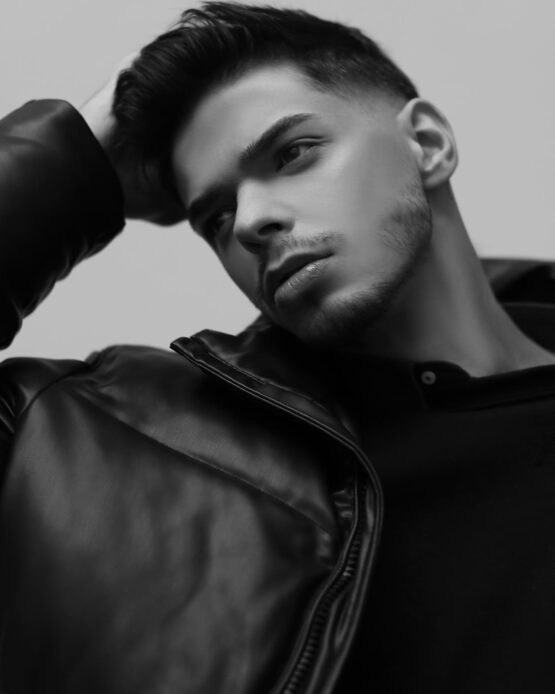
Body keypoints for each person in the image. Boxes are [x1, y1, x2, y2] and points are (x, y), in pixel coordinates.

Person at [1, 3, 555, 693]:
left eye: (292, 154)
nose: (253, 222)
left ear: (427, 143)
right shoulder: (111, 444)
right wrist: (71, 161)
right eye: (217, 216)